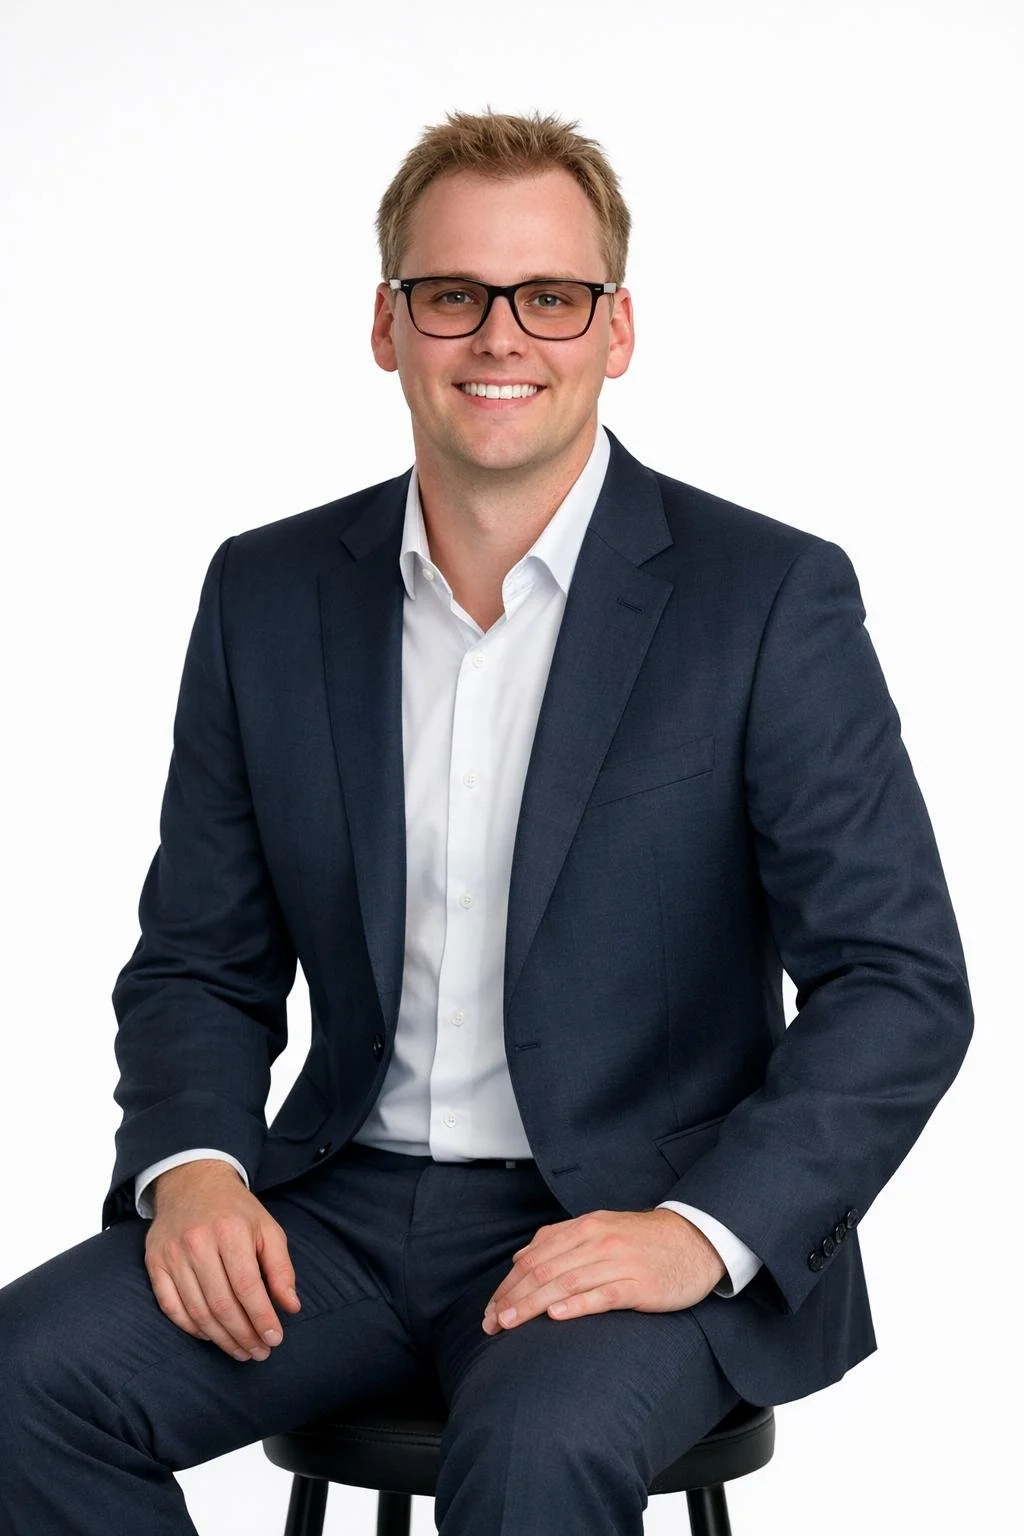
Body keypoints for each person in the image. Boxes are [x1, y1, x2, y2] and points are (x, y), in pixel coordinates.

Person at [0, 110, 972, 1536]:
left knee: (533, 1462)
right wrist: (194, 1165)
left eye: (551, 297)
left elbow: (897, 981)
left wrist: (698, 1235)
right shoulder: (267, 595)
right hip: (328, 1213)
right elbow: (201, 957)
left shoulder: (764, 599)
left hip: (621, 1219)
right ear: (388, 328)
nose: (500, 338)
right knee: (22, 1386)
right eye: (451, 295)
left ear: (617, 329)